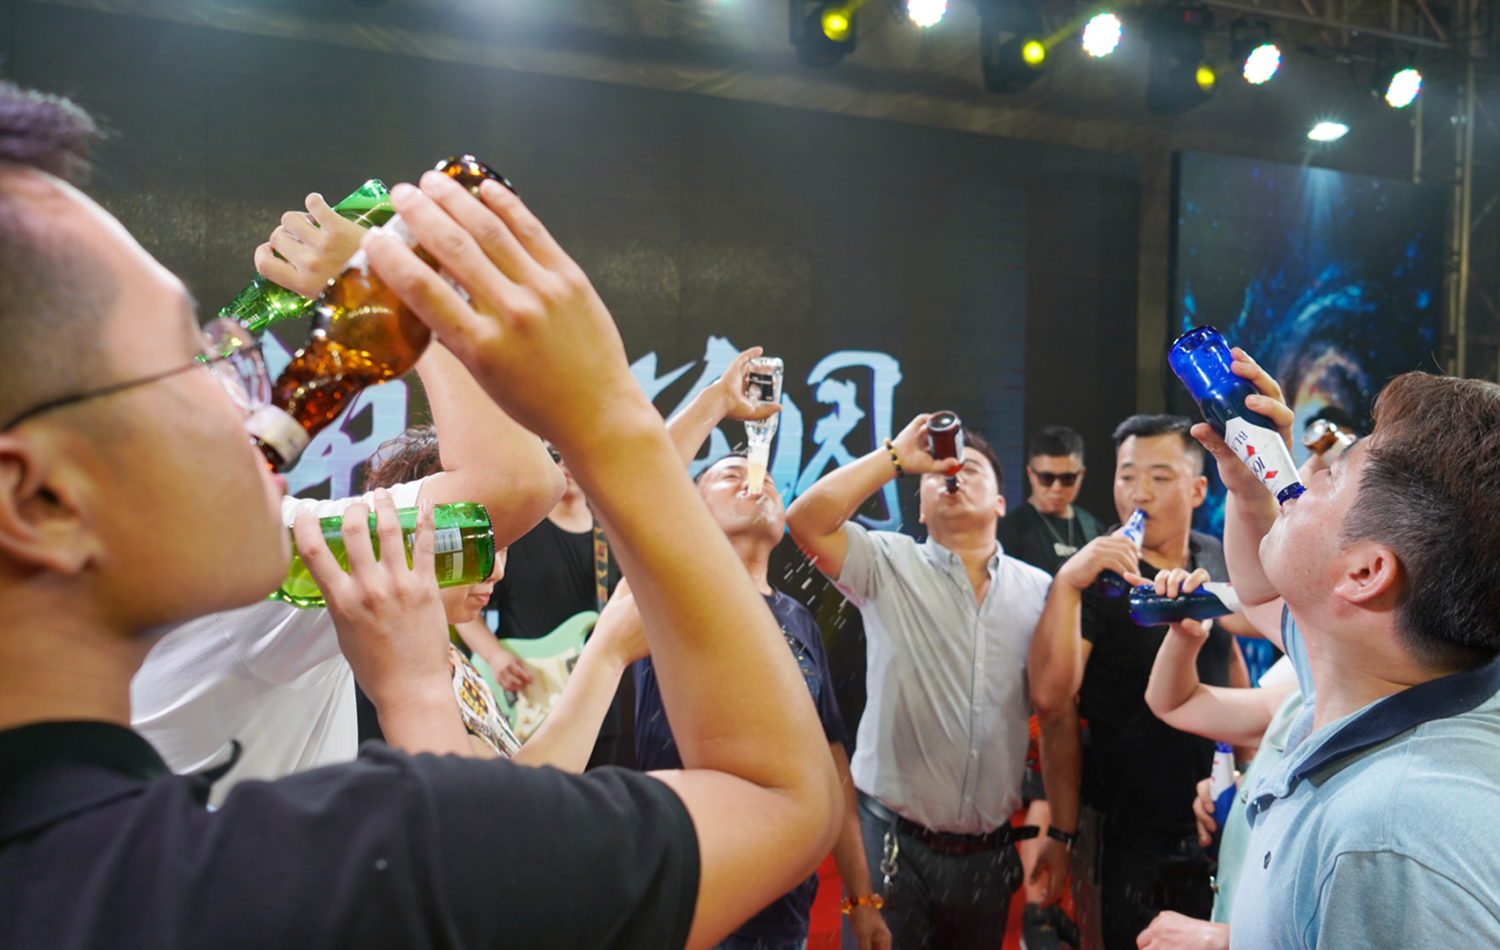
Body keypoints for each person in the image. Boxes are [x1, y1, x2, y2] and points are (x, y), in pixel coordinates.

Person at [0, 80, 841, 949]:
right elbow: (778, 800)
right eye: (189, 364)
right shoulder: (344, 865)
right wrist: (603, 417)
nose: (251, 392)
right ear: (40, 498)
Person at [128, 187, 565, 803]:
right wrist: (387, 287)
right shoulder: (243, 566)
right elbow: (516, 483)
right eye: (207, 362)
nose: (245, 379)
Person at [1193, 351, 1500, 947]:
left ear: (1365, 573)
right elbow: (1264, 594)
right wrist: (1249, 485)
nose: (1304, 480)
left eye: (1332, 476)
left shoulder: (1387, 841)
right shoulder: (1383, 667)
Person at [785, 413, 1079, 950]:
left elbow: (1058, 719)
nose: (953, 474)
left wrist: (1061, 832)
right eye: (938, 471)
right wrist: (896, 457)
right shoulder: (885, 562)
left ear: (1000, 503)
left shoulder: (1042, 591)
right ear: (919, 508)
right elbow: (806, 521)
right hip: (892, 844)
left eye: (971, 468)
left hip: (989, 855)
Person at [636, 349, 891, 950]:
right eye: (728, 478)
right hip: (688, 888)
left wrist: (860, 898)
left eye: (765, 479)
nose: (756, 479)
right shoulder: (671, 590)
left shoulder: (798, 619)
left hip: (780, 909)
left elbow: (831, 761)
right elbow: (643, 480)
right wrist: (717, 402)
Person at [1033, 414, 1257, 950]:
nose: (1139, 493)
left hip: (1210, 816)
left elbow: (1228, 658)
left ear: (1198, 489)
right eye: (1127, 476)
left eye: (1159, 477)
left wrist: (1250, 771)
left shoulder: (1211, 554)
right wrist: (1067, 584)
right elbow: (1052, 702)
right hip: (1121, 827)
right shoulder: (1097, 576)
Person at [481, 440, 627, 767]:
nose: (564, 463)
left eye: (574, 453)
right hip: (524, 697)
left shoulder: (612, 535)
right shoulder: (518, 531)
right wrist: (494, 656)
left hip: (597, 701)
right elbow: (463, 608)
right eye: (553, 454)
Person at [999, 426, 1104, 576]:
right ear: (1030, 473)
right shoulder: (1009, 531)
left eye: (1067, 478)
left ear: (1081, 474)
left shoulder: (1093, 528)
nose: (1056, 488)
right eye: (1046, 478)